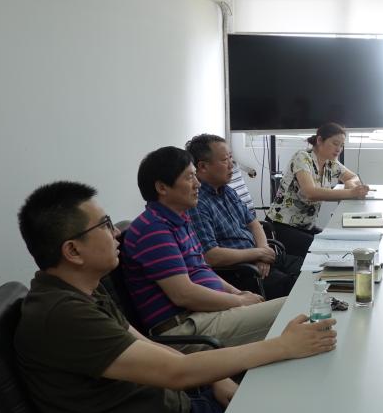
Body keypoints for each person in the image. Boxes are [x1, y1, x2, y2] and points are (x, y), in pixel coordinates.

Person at [15, 181, 336, 413]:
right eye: (105, 225)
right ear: (73, 251)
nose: (116, 234)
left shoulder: (83, 291)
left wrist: (215, 378)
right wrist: (281, 346)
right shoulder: (62, 315)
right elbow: (176, 373)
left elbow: (149, 347)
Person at [122, 146, 285, 350]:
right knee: (294, 309)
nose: (198, 183)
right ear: (162, 188)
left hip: (207, 314)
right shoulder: (153, 229)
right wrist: (240, 302)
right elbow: (184, 294)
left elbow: (202, 269)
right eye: (189, 177)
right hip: (185, 328)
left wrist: (239, 294)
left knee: (291, 309)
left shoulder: (179, 219)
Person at [185, 134, 302, 300]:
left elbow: (254, 223)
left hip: (259, 259)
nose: (231, 164)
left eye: (231, 157)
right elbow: (211, 256)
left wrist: (262, 251)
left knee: (312, 269)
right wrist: (257, 254)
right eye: (225, 160)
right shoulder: (198, 204)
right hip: (241, 272)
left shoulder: (227, 191)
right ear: (203, 167)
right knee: (299, 288)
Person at [265, 122, 369, 257]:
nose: (339, 149)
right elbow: (310, 193)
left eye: (342, 145)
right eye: (335, 143)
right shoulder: (302, 157)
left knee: (338, 243)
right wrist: (350, 193)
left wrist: (350, 183)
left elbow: (353, 177)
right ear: (320, 140)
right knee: (326, 250)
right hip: (281, 227)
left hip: (305, 227)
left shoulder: (331, 163)